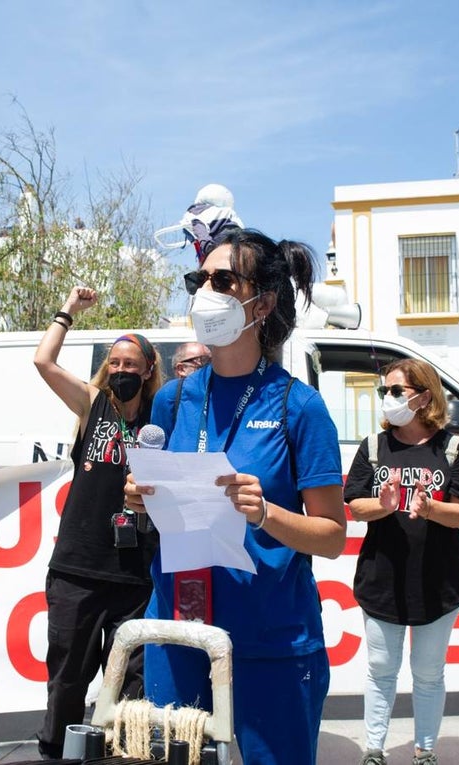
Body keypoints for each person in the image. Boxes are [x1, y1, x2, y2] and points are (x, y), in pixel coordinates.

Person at [126, 228, 347, 765]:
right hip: (178, 630)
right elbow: (163, 504)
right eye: (199, 280)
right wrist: (141, 498)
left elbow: (332, 537)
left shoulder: (299, 405)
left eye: (223, 280)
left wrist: (266, 512)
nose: (205, 292)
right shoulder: (172, 400)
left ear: (262, 304)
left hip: (269, 638)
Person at [32, 288, 163, 759]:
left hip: (136, 575)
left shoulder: (161, 417)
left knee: (130, 684)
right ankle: (57, 753)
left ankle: (123, 755)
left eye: (132, 364)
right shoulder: (93, 404)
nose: (122, 370)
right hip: (79, 569)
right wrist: (68, 309)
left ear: (148, 370)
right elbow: (43, 362)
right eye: (115, 363)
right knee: (68, 677)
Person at [345, 359, 459, 765]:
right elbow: (355, 506)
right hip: (382, 579)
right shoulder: (373, 447)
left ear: (423, 396)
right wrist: (384, 505)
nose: (388, 398)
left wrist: (431, 508)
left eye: (396, 391)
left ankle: (425, 751)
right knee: (381, 668)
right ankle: (374, 749)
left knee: (428, 672)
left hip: (438, 582)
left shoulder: (454, 448)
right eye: (385, 390)